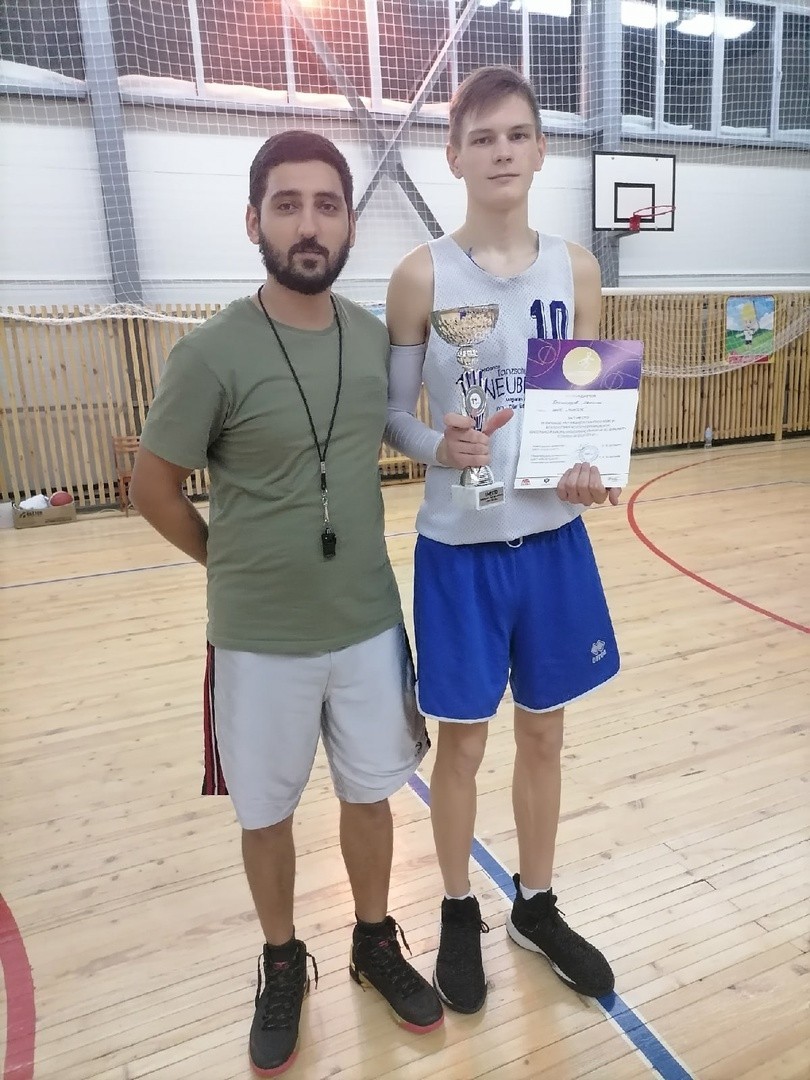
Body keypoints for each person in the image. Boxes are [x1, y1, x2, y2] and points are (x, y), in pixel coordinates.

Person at [130, 129, 443, 1077]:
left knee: (371, 796)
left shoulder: (371, 341)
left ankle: (374, 940)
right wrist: (227, 565)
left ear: (349, 223)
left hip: (368, 624)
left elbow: (410, 426)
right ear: (254, 220)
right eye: (288, 204)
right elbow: (152, 487)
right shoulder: (211, 353)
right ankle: (279, 959)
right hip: (258, 639)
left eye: (327, 205)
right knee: (264, 813)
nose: (309, 224)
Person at [384, 67, 619, 1015]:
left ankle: (536, 904)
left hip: (553, 543)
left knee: (546, 732)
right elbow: (394, 418)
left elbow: (582, 407)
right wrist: (439, 445)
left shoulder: (579, 269)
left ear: (541, 149)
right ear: (453, 155)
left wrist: (588, 465)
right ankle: (456, 910)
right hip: (460, 550)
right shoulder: (421, 275)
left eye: (517, 134)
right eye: (482, 137)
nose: (502, 151)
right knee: (463, 743)